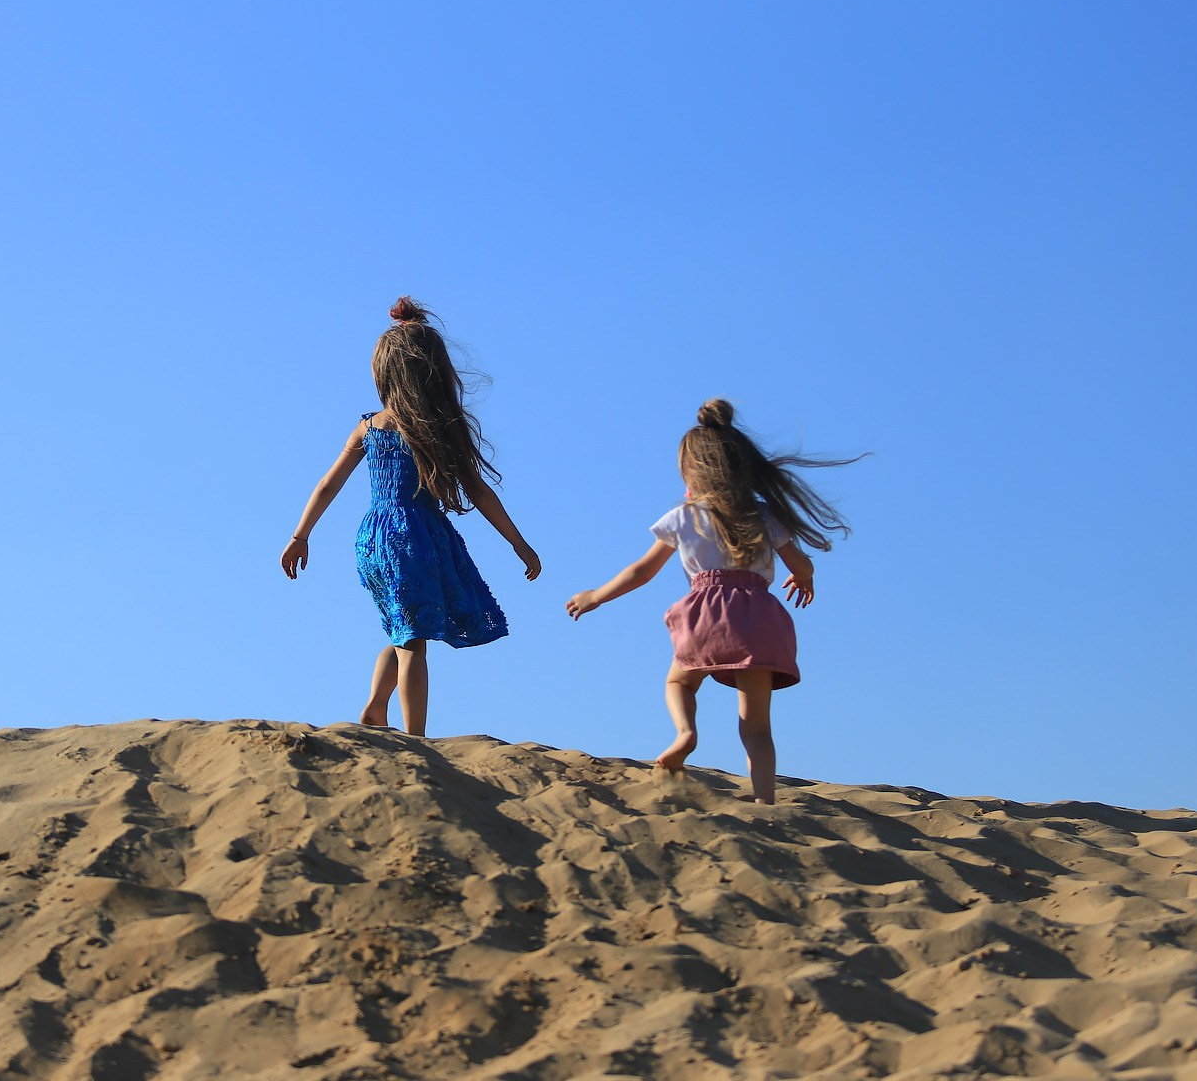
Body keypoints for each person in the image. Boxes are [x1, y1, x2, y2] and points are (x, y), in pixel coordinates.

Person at [565, 399, 860, 802]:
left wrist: (596, 595)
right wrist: (804, 578)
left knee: (678, 680)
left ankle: (685, 732)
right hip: (758, 620)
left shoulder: (683, 516)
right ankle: (765, 800)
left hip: (704, 614)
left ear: (692, 473)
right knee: (756, 727)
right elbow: (800, 562)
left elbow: (642, 570)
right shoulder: (765, 516)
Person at [282, 297, 541, 736]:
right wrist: (518, 543)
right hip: (416, 539)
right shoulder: (437, 427)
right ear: (436, 374)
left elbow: (328, 484)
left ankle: (376, 707)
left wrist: (300, 535)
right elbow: (479, 492)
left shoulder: (369, 427)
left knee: (404, 627)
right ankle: (416, 738)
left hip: (376, 539)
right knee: (414, 642)